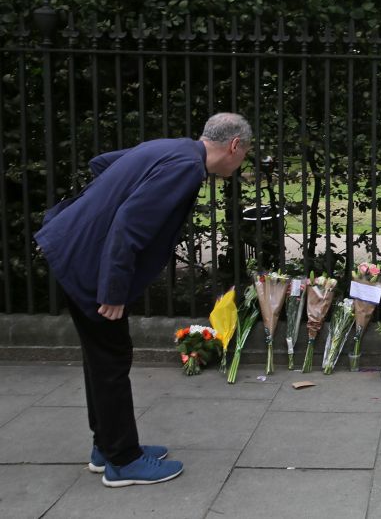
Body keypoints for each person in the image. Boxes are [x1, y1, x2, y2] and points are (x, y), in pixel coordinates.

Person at [35, 112, 252, 486]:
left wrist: (103, 202)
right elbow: (128, 224)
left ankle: (107, 448)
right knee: (112, 360)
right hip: (89, 266)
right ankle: (123, 460)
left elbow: (102, 164)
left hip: (70, 248)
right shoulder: (186, 168)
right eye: (245, 153)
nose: (243, 160)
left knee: (102, 359)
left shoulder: (174, 148)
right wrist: (113, 289)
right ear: (234, 146)